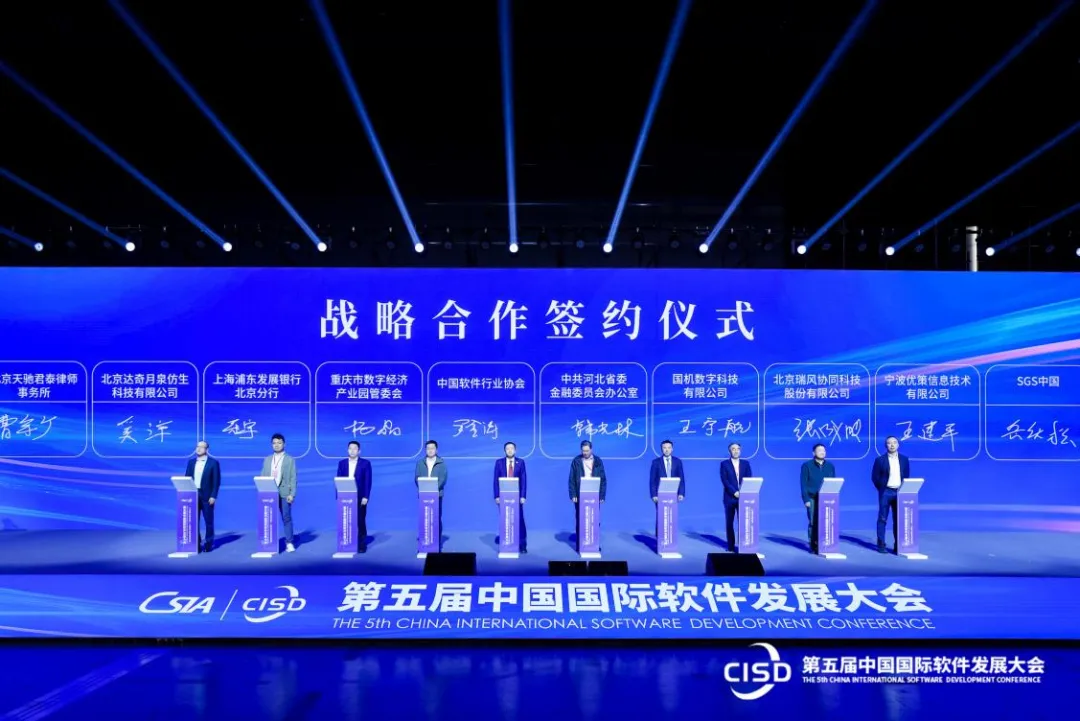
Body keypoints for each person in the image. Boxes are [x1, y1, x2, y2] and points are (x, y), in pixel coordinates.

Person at [871, 435, 911, 554]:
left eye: (894, 442)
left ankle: (898, 545)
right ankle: (881, 545)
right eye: (889, 443)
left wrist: (902, 488)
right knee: (882, 519)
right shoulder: (879, 460)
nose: (892, 445)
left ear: (898, 445)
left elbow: (906, 475)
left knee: (898, 520)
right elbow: (874, 477)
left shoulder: (904, 459)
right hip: (886, 492)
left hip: (899, 492)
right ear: (886, 445)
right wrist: (882, 488)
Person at [261, 433, 297, 552]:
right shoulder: (267, 459)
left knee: (286, 517)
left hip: (284, 493)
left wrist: (292, 494)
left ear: (284, 444)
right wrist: (262, 490)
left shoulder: (289, 459)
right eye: (274, 443)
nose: (276, 445)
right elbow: (263, 475)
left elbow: (293, 478)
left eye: (279, 443)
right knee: (268, 518)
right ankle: (268, 543)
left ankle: (289, 542)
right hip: (269, 492)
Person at [184, 440, 220, 553]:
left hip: (207, 496)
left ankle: (209, 543)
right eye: (197, 446)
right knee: (193, 521)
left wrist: (213, 496)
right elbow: (186, 478)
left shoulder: (213, 463)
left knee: (208, 521)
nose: (198, 449)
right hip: (193, 495)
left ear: (207, 450)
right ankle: (197, 544)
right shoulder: (191, 462)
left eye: (202, 447)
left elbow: (216, 481)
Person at [568, 440, 607, 544]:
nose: (585, 453)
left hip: (594, 494)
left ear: (591, 449)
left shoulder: (598, 461)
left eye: (587, 451)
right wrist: (573, 495)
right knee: (580, 519)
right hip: (580, 494)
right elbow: (571, 479)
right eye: (583, 451)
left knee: (594, 519)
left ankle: (594, 544)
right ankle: (580, 543)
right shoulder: (576, 461)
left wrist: (602, 495)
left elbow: (603, 479)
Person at [337, 440, 372, 553]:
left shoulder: (365, 463)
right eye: (350, 448)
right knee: (346, 520)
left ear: (359, 451)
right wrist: (338, 495)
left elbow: (368, 481)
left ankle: (361, 544)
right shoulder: (342, 463)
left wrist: (366, 496)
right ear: (347, 450)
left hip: (360, 497)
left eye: (355, 449)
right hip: (345, 497)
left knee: (360, 520)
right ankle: (347, 542)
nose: (352, 451)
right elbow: (338, 479)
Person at [799, 443, 835, 554]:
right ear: (813, 453)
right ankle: (813, 545)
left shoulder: (830, 466)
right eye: (819, 450)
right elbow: (803, 484)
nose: (822, 452)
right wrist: (805, 499)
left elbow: (833, 482)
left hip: (826, 498)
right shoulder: (807, 466)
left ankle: (824, 544)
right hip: (812, 498)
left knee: (825, 522)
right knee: (813, 522)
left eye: (824, 450)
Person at [493, 440, 527, 553]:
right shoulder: (499, 463)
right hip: (503, 497)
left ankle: (522, 545)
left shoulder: (520, 462)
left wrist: (523, 496)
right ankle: (506, 544)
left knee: (520, 520)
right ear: (504, 451)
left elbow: (524, 480)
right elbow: (495, 480)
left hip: (517, 497)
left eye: (512, 448)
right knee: (505, 519)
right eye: (507, 449)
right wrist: (496, 496)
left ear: (515, 450)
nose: (510, 450)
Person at [649, 439, 685, 541]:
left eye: (669, 448)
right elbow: (652, 480)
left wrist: (681, 493)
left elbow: (681, 478)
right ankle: (659, 540)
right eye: (664, 448)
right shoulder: (656, 462)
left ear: (672, 449)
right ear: (661, 449)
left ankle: (670, 540)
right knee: (661, 516)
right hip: (660, 494)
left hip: (673, 493)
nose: (667, 450)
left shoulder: (678, 462)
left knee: (671, 517)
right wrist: (653, 495)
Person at [414, 440, 447, 546]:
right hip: (424, 495)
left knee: (436, 518)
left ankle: (437, 542)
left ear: (436, 450)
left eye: (432, 448)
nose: (430, 450)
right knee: (425, 518)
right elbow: (417, 478)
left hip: (437, 495)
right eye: (428, 448)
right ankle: (425, 542)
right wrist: (424, 488)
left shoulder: (441, 463)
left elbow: (443, 479)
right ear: (425, 450)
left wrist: (432, 489)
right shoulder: (420, 463)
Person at [719, 442, 751, 552]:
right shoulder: (724, 464)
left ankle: (744, 546)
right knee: (729, 523)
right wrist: (734, 492)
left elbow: (749, 478)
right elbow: (725, 480)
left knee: (743, 523)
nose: (736, 451)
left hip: (743, 498)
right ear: (730, 451)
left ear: (740, 451)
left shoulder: (746, 464)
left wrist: (743, 491)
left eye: (738, 449)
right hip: (729, 498)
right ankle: (731, 547)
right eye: (733, 449)